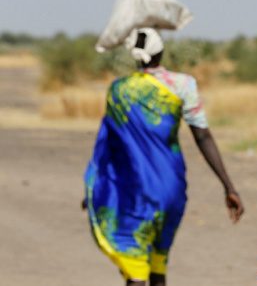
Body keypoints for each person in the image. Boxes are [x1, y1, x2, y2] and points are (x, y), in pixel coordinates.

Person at [83, 28, 244, 286]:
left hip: (133, 189)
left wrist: (94, 188)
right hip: (171, 188)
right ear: (161, 51)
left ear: (134, 55)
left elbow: (107, 145)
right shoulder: (184, 85)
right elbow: (203, 136)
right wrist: (229, 186)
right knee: (159, 264)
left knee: (136, 265)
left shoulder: (119, 90)